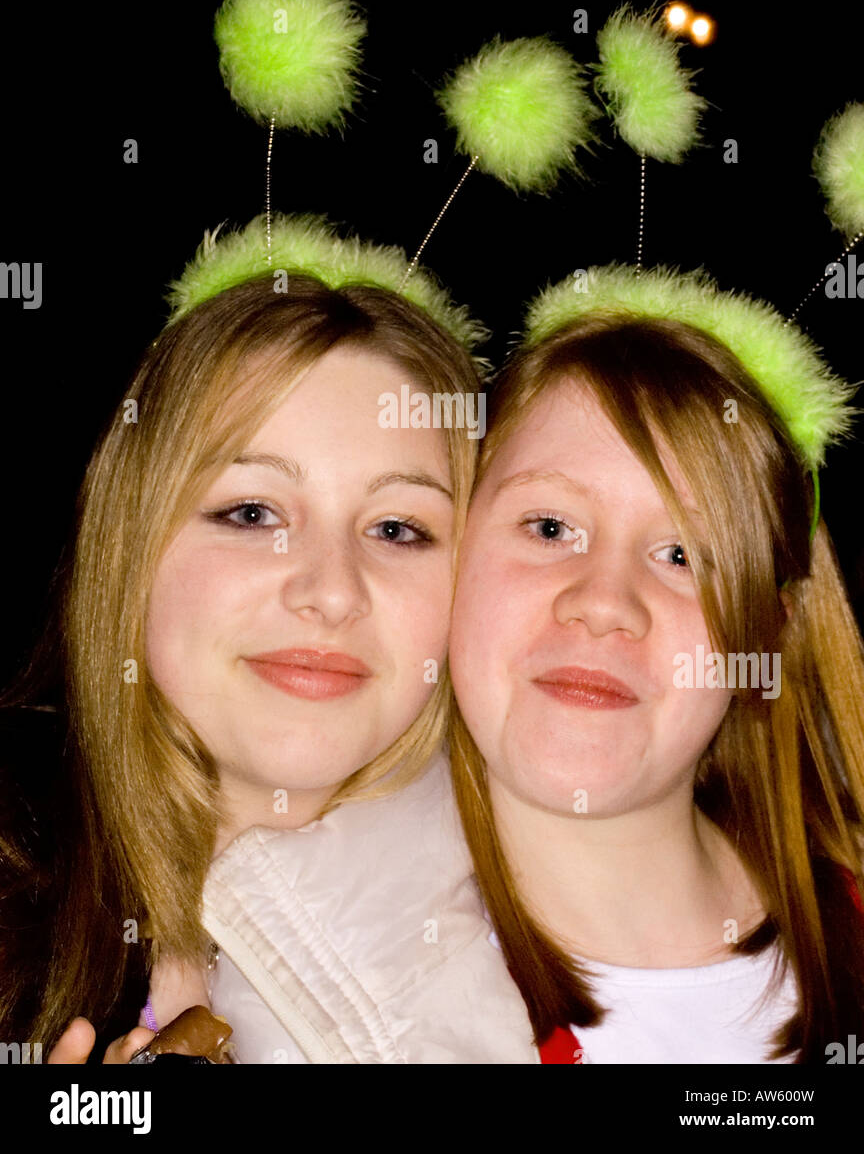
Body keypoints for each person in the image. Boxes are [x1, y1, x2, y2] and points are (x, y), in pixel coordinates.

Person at [0, 216, 490, 1061]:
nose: (332, 592)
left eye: (399, 529)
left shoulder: (568, 954)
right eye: (252, 512)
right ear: (131, 542)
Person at [447, 284, 864, 1064]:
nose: (604, 604)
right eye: (549, 527)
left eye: (683, 556)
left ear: (767, 630)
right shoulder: (313, 996)